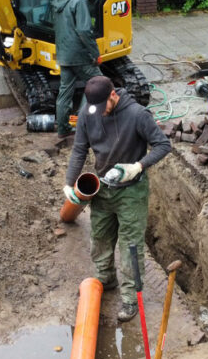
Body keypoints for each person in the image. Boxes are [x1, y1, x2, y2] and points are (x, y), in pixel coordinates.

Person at [63, 75, 171, 322]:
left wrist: (138, 166)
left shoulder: (137, 115)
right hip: (103, 187)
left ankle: (131, 298)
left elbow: (163, 145)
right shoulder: (89, 112)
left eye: (104, 107)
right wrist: (69, 183)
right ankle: (106, 278)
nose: (100, 113)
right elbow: (79, 149)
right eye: (95, 109)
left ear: (113, 95)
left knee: (130, 246)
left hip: (131, 191)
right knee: (100, 237)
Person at [51, 0, 101, 142]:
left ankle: (63, 129)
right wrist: (95, 53)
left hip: (63, 54)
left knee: (65, 91)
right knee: (98, 83)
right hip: (79, 54)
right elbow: (84, 30)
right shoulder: (79, 1)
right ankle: (84, 123)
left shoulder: (59, 1)